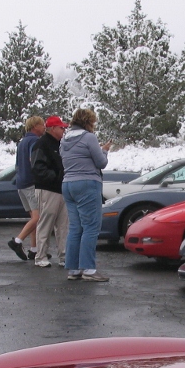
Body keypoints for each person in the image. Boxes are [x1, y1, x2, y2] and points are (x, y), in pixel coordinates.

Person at [60, 108, 112, 282]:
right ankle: (89, 269)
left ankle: (73, 269)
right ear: (88, 122)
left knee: (75, 228)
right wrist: (104, 150)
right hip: (87, 184)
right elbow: (101, 163)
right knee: (91, 227)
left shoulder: (63, 140)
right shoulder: (89, 138)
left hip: (67, 184)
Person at [31, 115, 68, 268]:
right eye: (61, 127)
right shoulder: (42, 144)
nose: (63, 130)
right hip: (47, 188)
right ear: (52, 128)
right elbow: (37, 168)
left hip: (60, 188)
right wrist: (56, 176)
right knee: (46, 222)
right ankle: (40, 256)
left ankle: (64, 256)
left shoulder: (60, 144)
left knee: (64, 224)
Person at [9, 115, 45, 260]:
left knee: (33, 218)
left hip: (21, 183)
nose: (44, 127)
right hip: (31, 183)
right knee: (38, 217)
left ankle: (34, 249)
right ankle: (17, 241)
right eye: (42, 125)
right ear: (35, 126)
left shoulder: (22, 142)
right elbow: (34, 159)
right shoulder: (35, 141)